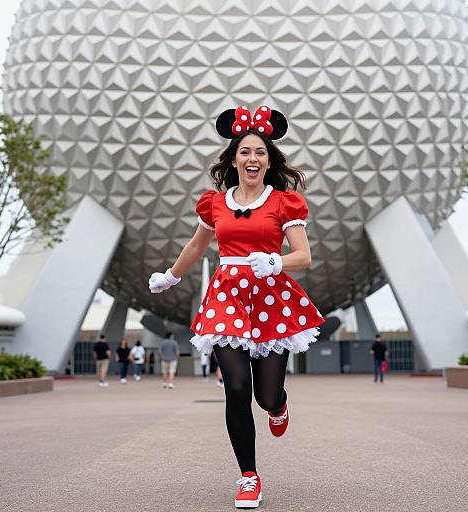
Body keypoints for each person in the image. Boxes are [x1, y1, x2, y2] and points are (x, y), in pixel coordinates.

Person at [149, 105, 324, 509]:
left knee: (264, 395)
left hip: (270, 296)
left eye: (260, 152)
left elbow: (304, 256)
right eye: (245, 151)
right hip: (227, 296)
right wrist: (172, 275)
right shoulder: (215, 203)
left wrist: (275, 261)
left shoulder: (284, 203)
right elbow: (197, 245)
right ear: (233, 158)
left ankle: (278, 405)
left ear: (269, 160)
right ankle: (249, 477)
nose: (252, 158)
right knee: (237, 389)